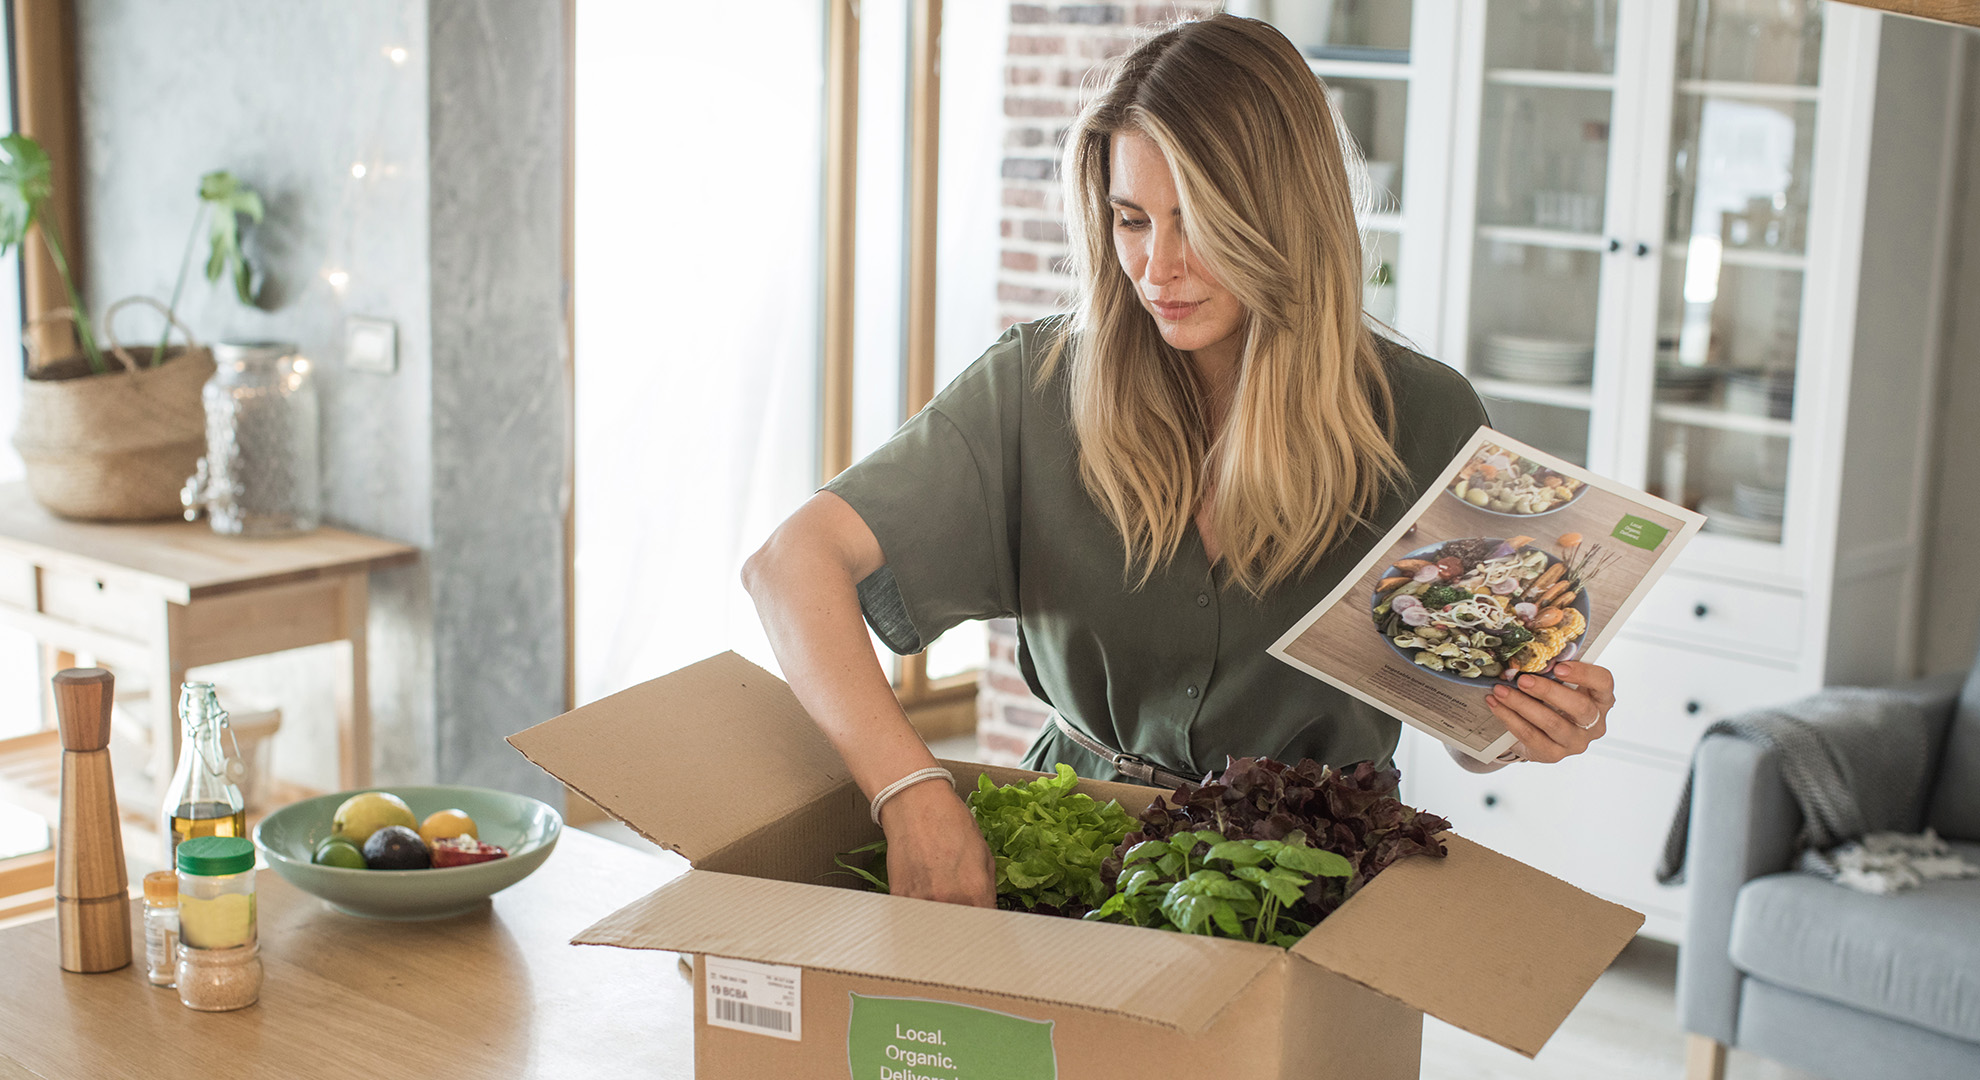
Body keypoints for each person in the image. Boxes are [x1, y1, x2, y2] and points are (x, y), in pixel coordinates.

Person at [741, 13, 1615, 909]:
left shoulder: (1423, 418)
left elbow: (1464, 712)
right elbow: (788, 567)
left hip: (1314, 883)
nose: (1158, 266)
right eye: (1130, 219)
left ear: (1282, 218)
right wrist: (908, 790)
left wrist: (1517, 726)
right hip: (1075, 851)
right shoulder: (1037, 386)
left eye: (1196, 222)